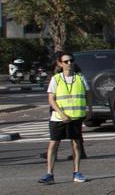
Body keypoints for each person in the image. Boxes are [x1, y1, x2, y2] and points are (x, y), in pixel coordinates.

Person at [38, 52, 90, 184]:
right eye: (66, 61)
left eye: (71, 61)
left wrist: (90, 109)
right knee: (54, 144)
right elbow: (51, 99)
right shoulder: (56, 79)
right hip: (59, 118)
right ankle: (49, 174)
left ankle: (77, 172)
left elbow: (88, 94)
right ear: (60, 64)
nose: (69, 63)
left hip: (76, 117)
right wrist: (61, 114)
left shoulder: (80, 77)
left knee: (76, 144)